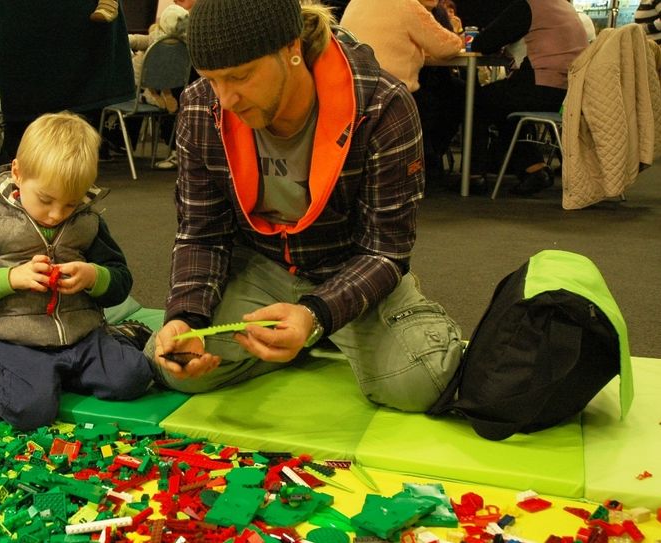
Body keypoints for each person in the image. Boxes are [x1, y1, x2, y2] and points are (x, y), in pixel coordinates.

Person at [146, 0, 464, 413]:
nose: (226, 99)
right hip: (263, 268)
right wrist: (187, 317)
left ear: (291, 49)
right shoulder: (200, 107)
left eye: (240, 76)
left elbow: (385, 252)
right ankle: (296, 342)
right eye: (212, 80)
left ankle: (316, 334)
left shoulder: (382, 105)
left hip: (348, 267)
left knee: (425, 381)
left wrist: (316, 315)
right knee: (173, 361)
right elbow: (202, 234)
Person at [0, 112, 154, 430]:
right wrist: (10, 278)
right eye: (45, 199)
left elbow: (121, 279)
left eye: (70, 204)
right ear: (18, 173)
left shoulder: (88, 221)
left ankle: (114, 342)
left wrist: (94, 277)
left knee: (134, 378)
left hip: (82, 334)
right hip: (20, 340)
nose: (56, 215)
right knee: (30, 411)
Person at [467, 0, 588, 195]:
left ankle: (474, 178)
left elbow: (483, 43)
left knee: (476, 100)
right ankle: (534, 169)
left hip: (544, 87)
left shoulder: (529, 6)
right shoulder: (563, 6)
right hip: (569, 91)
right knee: (501, 102)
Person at [340, 0, 464, 186]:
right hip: (391, 97)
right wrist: (459, 37)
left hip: (350, 92)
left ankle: (427, 162)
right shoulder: (405, 5)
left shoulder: (356, 2)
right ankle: (428, 164)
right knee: (450, 96)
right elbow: (446, 46)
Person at [129, 4, 191, 113]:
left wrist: (126, 39)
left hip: (144, 78)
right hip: (172, 81)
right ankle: (167, 95)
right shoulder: (184, 43)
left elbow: (138, 41)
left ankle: (149, 94)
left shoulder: (155, 38)